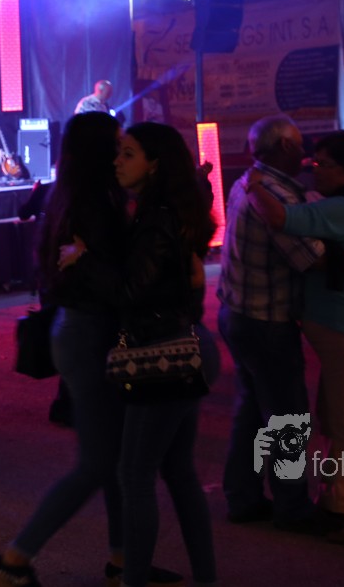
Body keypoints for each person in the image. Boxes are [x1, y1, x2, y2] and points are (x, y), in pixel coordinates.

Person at [0, 113, 185, 587]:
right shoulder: (95, 203)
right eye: (117, 147)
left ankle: (122, 560)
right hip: (88, 332)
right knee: (98, 462)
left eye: (127, 150)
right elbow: (116, 281)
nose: (120, 156)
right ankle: (13, 561)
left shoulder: (75, 195)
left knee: (112, 460)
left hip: (80, 330)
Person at [244, 130, 344, 545]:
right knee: (336, 420)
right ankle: (337, 499)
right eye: (314, 162)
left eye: (324, 164)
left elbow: (279, 218)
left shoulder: (342, 207)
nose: (315, 170)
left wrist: (254, 184)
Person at [112, 122, 219, 587]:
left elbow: (131, 290)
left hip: (164, 352)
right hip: (187, 344)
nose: (117, 161)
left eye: (128, 153)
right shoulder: (170, 211)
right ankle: (206, 578)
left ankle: (133, 580)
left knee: (135, 476)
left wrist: (85, 263)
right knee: (178, 472)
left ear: (154, 164)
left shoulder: (156, 218)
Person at [217, 115, 324, 532]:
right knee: (287, 416)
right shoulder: (275, 194)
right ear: (283, 147)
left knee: (251, 411)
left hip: (238, 312)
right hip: (267, 319)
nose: (306, 152)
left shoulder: (248, 181)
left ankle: (242, 497)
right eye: (300, 144)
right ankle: (292, 507)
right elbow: (308, 258)